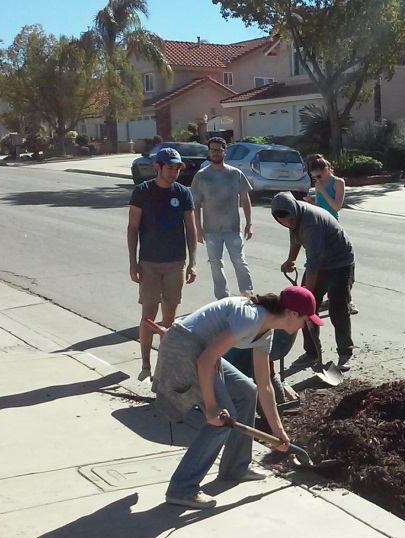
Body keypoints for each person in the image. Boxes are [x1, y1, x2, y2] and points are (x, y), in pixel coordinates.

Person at [155, 287, 318, 508]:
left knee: (247, 391)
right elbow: (204, 361)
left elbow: (265, 384)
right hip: (184, 345)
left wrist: (277, 430)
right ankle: (181, 488)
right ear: (293, 313)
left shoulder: (266, 331)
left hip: (203, 350)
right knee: (224, 416)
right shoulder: (252, 317)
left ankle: (236, 466)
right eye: (306, 321)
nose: (305, 326)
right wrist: (212, 407)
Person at [127, 147, 198, 381]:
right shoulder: (142, 192)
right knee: (149, 313)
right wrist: (133, 262)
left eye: (177, 168)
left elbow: (190, 228)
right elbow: (133, 228)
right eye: (170, 167)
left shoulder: (183, 192)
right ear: (157, 167)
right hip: (149, 263)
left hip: (175, 262)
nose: (174, 172)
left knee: (169, 316)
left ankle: (164, 365)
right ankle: (145, 363)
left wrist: (192, 262)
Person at [270, 191, 355, 372]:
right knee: (304, 312)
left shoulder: (310, 222)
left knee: (338, 309)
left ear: (294, 210)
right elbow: (295, 238)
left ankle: (345, 352)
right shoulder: (293, 216)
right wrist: (291, 259)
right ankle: (312, 353)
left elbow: (314, 262)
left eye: (289, 220)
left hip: (340, 263)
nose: (287, 224)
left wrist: (306, 294)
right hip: (320, 264)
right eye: (283, 222)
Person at [190, 136, 255, 300]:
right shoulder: (201, 176)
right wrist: (198, 229)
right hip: (211, 230)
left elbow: (245, 199)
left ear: (225, 152)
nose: (216, 153)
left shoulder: (235, 174)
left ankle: (247, 294)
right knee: (215, 263)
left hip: (232, 228)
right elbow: (195, 205)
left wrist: (249, 224)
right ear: (209, 152)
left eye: (219, 150)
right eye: (212, 150)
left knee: (239, 261)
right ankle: (222, 298)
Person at [303, 154, 358, 314]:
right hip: (319, 225)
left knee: (338, 263)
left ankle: (348, 300)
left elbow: (336, 206)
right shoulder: (320, 184)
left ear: (326, 170)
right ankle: (328, 297)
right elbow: (321, 206)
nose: (317, 180)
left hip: (333, 226)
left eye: (319, 176)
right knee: (323, 262)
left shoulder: (338, 183)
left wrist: (322, 191)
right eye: (314, 178)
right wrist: (311, 203)